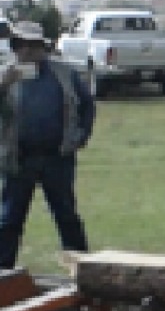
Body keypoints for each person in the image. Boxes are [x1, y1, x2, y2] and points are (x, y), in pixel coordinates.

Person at [0, 20, 95, 269]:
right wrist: (3, 85)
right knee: (10, 220)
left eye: (33, 45)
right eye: (22, 45)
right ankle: (3, 275)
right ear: (15, 46)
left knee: (66, 216)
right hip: (19, 159)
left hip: (57, 157)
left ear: (43, 47)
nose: (28, 51)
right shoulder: (5, 75)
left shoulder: (64, 73)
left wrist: (81, 135)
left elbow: (87, 104)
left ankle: (84, 272)